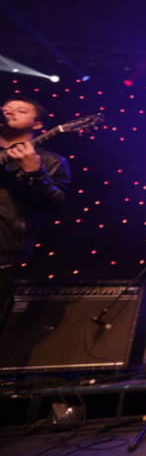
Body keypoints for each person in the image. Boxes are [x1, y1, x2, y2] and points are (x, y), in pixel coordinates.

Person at [0, 96, 71, 327]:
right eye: (6, 109)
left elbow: (55, 203)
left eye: (20, 111)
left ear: (38, 124)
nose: (10, 112)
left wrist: (35, 172)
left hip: (4, 255)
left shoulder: (50, 161)